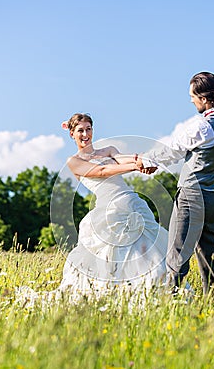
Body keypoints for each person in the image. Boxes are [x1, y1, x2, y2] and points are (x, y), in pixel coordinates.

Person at [137, 71, 214, 295]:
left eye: (193, 96)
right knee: (208, 254)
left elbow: (173, 149)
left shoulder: (203, 127)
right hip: (213, 196)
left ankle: (171, 300)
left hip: (192, 195)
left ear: (203, 98)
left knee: (177, 251)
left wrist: (146, 159)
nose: (191, 100)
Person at [55, 113, 168, 302]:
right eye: (80, 130)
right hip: (109, 210)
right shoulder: (74, 161)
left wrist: (143, 162)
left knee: (147, 248)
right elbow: (101, 171)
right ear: (72, 134)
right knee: (115, 252)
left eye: (88, 129)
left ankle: (153, 287)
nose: (85, 134)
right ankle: (117, 291)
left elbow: (123, 159)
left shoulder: (108, 150)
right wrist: (135, 167)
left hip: (131, 203)